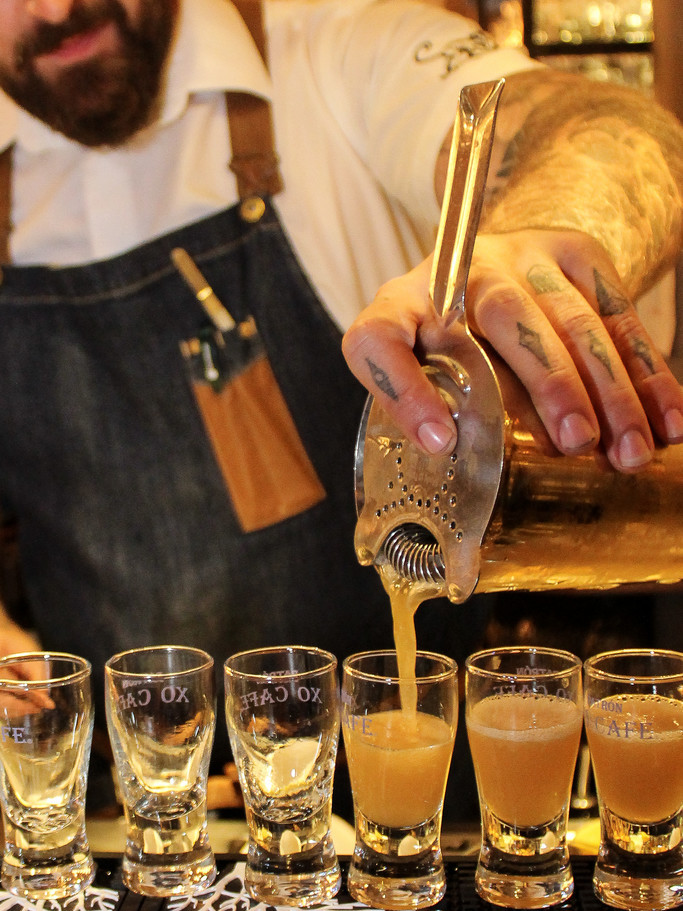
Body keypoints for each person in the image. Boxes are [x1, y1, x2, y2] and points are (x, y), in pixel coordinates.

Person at [0, 0, 681, 809]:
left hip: (423, 804)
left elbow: (615, 135)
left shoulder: (335, 51)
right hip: (123, 816)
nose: (53, 8)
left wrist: (533, 241)